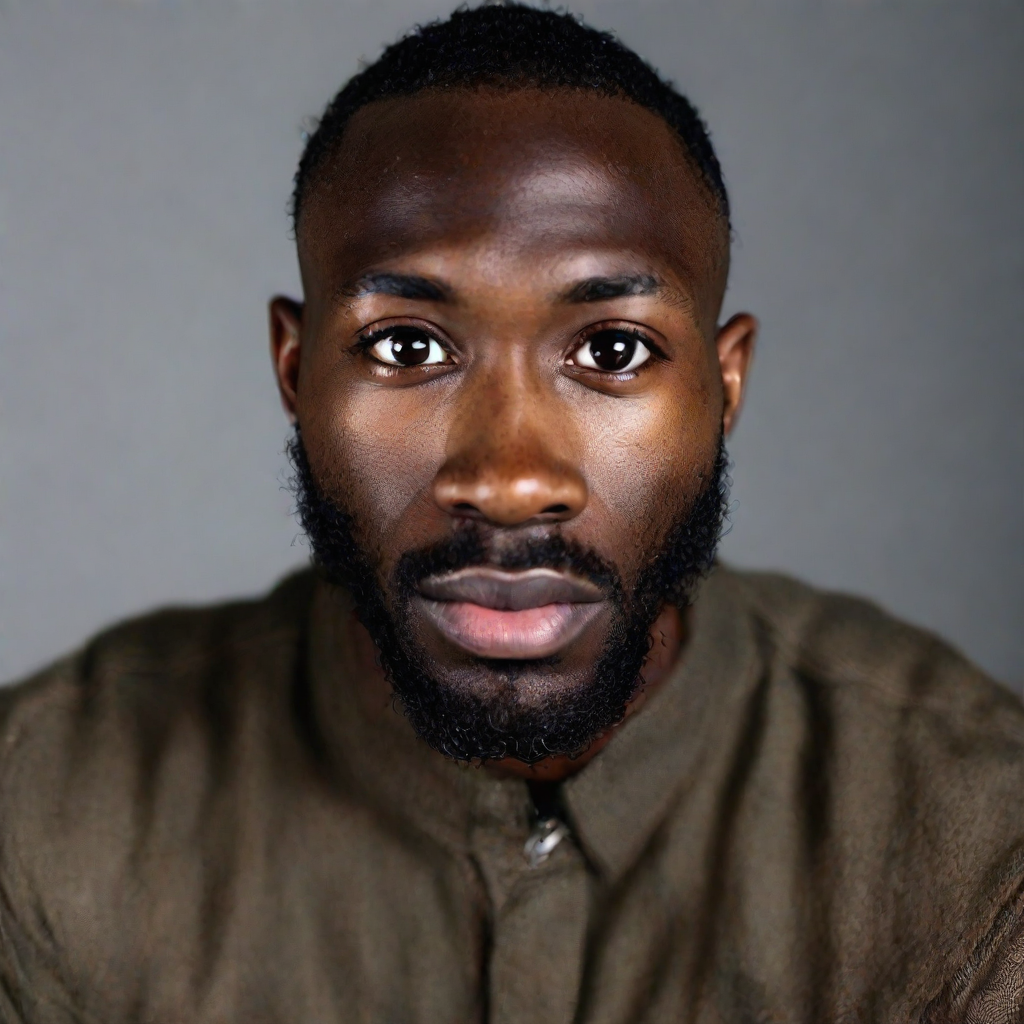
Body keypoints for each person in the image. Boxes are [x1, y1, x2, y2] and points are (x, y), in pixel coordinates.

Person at [1, 5, 1021, 1021]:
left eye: (612, 350)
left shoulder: (976, 837)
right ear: (296, 368)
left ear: (725, 384)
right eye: (407, 347)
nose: (508, 477)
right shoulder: (42, 811)